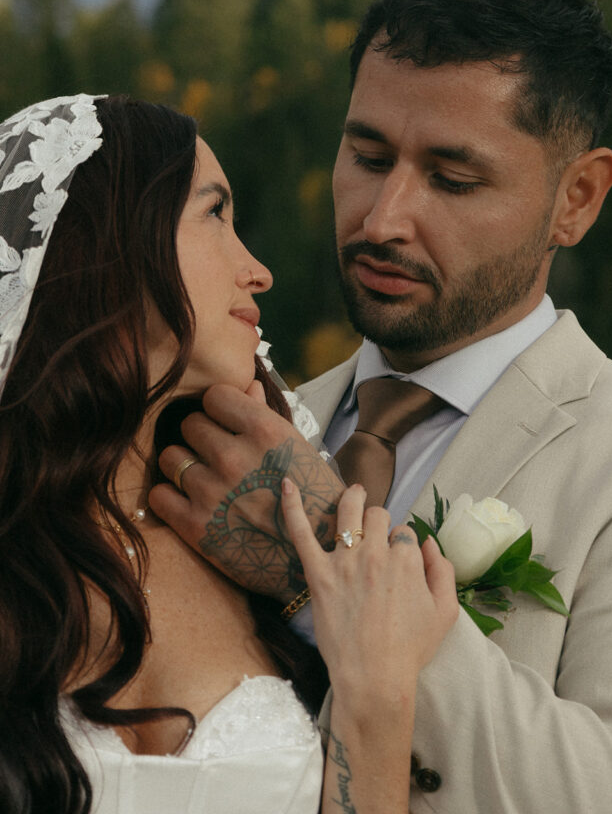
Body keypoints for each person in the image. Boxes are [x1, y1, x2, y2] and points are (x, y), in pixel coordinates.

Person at [152, 0, 612, 814]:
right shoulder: (235, 435)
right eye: (366, 156)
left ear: (576, 199)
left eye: (451, 179)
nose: (382, 217)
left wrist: (328, 565)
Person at [0, 94, 458, 814]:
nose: (258, 270)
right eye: (214, 213)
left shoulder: (257, 549)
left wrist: (376, 688)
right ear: (107, 243)